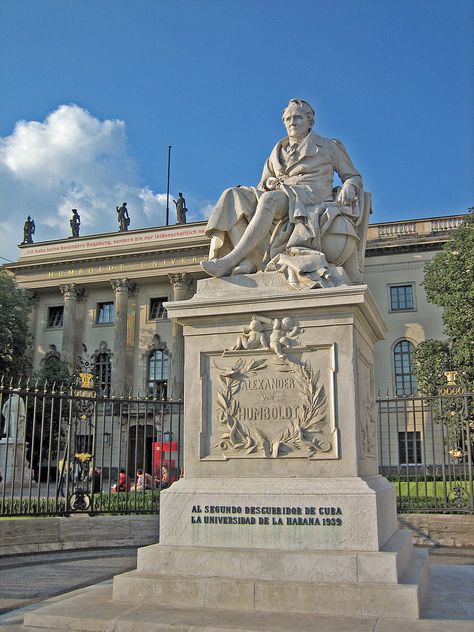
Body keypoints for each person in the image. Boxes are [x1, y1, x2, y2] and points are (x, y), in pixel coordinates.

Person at [201, 99, 366, 285]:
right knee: (232, 196)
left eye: (297, 117)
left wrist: (349, 186)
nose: (292, 122)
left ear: (310, 122)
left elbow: (352, 176)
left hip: (309, 196)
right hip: (281, 194)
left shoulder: (329, 146)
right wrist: (269, 182)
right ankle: (249, 259)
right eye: (288, 119)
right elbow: (262, 184)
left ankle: (229, 260)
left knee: (270, 200)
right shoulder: (277, 150)